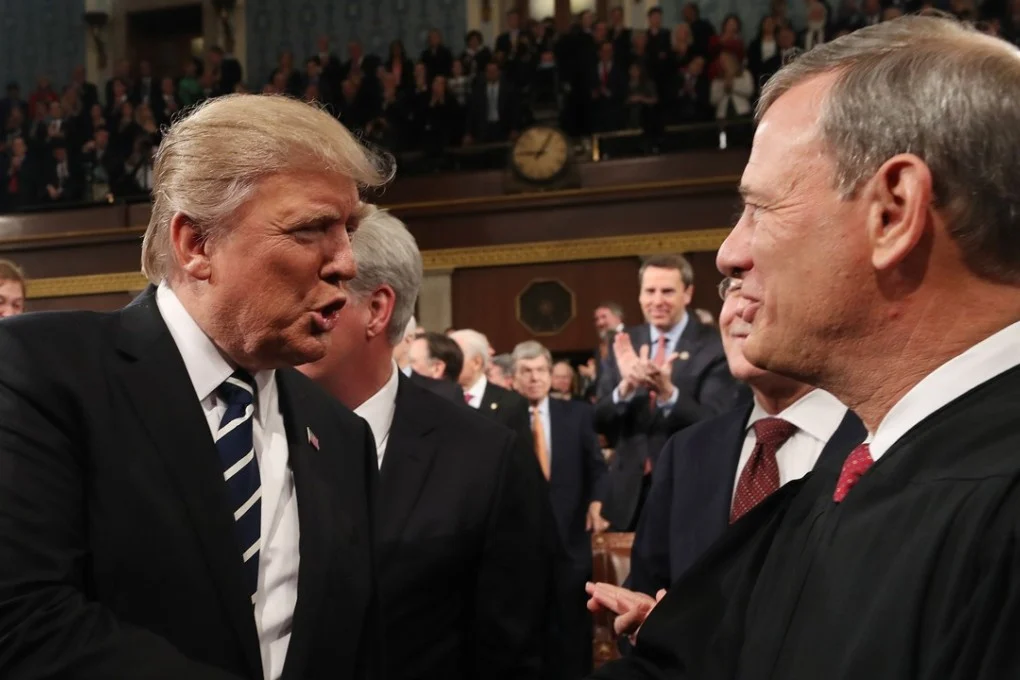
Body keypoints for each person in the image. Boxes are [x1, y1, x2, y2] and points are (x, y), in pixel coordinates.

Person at [589, 16, 1020, 679]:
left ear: (893, 211)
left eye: (760, 208)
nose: (729, 254)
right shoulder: (852, 477)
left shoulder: (990, 505)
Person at [0, 94, 391, 680]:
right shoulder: (40, 372)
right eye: (312, 229)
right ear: (197, 244)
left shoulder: (340, 436)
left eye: (349, 230)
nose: (346, 262)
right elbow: (24, 623)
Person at [297, 208, 553, 680]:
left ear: (377, 310)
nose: (286, 310)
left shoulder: (486, 458)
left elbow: (518, 650)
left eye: (313, 291)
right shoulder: (245, 430)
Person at [625, 275, 864, 597]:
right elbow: (646, 588)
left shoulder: (886, 445)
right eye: (734, 287)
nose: (741, 307)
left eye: (763, 283)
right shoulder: (686, 452)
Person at [596, 254, 740, 530]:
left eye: (667, 291)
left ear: (688, 294)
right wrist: (625, 389)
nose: (657, 300)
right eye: (650, 291)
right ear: (640, 295)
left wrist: (668, 394)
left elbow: (718, 422)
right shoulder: (624, 343)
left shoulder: (714, 345)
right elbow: (599, 420)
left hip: (690, 490)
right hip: (628, 498)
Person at [512, 340, 608, 680]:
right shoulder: (503, 418)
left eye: (541, 370)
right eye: (526, 371)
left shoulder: (577, 414)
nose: (535, 378)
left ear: (551, 374)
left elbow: (597, 468)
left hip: (571, 539)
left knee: (572, 628)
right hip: (521, 546)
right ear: (514, 378)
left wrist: (596, 503)